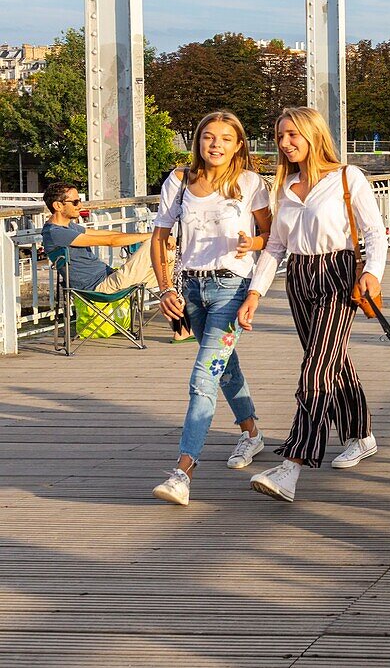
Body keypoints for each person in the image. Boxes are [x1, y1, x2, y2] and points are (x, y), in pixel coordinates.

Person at [237, 106, 388, 502]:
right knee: (332, 362)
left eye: (292, 135)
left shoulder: (346, 177)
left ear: (312, 135)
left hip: (338, 274)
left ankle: (293, 464)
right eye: (280, 137)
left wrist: (373, 272)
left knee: (316, 369)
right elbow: (274, 246)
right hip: (300, 278)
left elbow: (374, 232)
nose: (285, 144)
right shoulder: (284, 188)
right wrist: (255, 293)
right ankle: (360, 433)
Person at [149, 111, 272, 506]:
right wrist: (165, 288)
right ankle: (252, 434)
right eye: (207, 137)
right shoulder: (179, 181)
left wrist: (250, 246)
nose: (215, 144)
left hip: (231, 288)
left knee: (204, 376)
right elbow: (160, 237)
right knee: (223, 366)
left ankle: (182, 472)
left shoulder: (250, 183)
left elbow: (272, 236)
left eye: (224, 138)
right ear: (198, 141)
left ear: (239, 144)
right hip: (191, 289)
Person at [40, 182, 192, 341]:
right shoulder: (55, 233)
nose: (81, 205)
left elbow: (105, 234)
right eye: (76, 202)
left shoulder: (69, 227)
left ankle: (181, 329)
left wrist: (151, 237)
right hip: (99, 288)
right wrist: (154, 236)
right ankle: (184, 325)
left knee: (175, 273)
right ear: (58, 205)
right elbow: (111, 241)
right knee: (152, 244)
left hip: (110, 279)